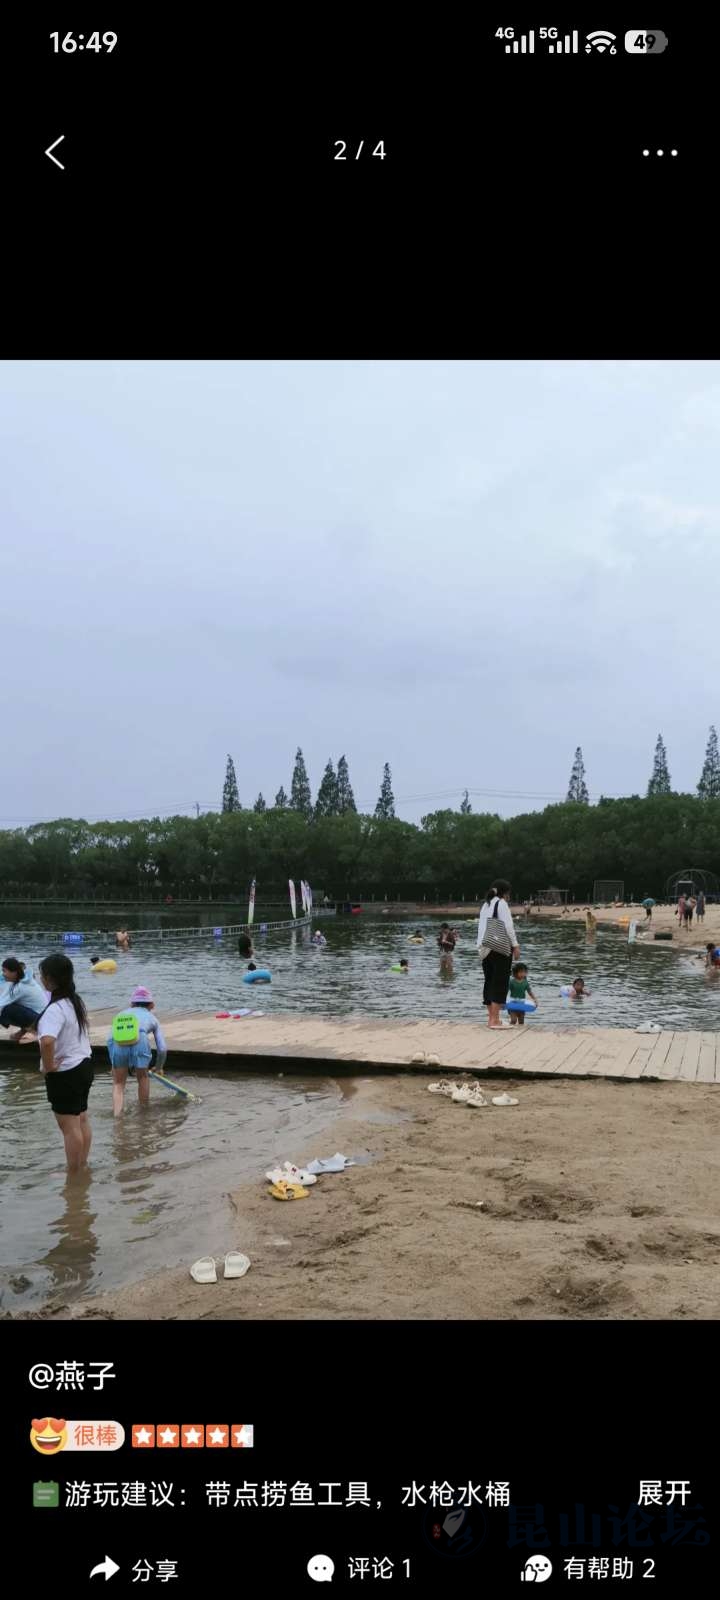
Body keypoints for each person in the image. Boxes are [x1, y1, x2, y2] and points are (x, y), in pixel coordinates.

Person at [36, 954, 93, 1174]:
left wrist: (48, 1066)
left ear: (50, 979)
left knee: (69, 1128)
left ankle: (73, 1174)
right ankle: (83, 1164)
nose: (41, 979)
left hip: (66, 1072)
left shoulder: (55, 1008)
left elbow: (47, 1041)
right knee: (81, 1120)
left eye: (42, 975)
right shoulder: (75, 1002)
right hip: (84, 1065)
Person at [107, 985, 168, 1116]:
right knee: (143, 1078)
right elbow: (162, 1049)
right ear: (151, 1005)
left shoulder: (120, 1015)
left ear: (132, 1004)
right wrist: (158, 1067)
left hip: (119, 1044)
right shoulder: (152, 1018)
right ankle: (143, 1114)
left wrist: (113, 1063)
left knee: (118, 1083)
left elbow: (110, 1040)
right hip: (141, 1041)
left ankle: (118, 1117)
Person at [477, 880, 520, 1029]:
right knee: (500, 982)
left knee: (489, 981)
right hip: (500, 948)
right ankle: (495, 1020)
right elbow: (508, 926)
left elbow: (481, 927)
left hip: (485, 947)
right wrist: (515, 945)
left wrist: (480, 947)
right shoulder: (501, 904)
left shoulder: (486, 905)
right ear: (505, 892)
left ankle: (491, 1019)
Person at [0, 956, 48, 1043]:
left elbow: (2, 1005)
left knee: (7, 1009)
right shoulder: (24, 979)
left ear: (14, 972)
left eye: (4, 971)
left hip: (40, 1021)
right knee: (15, 1005)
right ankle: (24, 1031)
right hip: (41, 1017)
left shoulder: (20, 987)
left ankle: (34, 1031)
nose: (2, 974)